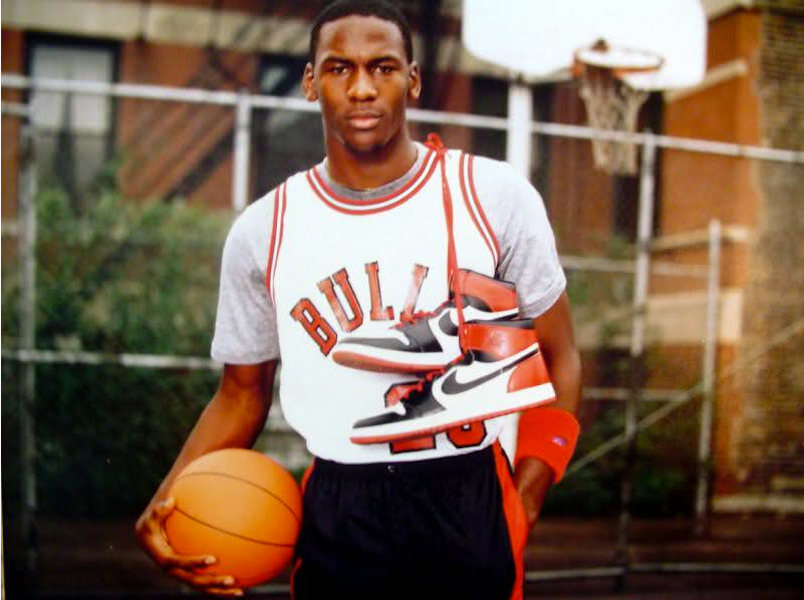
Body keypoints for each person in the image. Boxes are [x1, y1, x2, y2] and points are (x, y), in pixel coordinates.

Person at [136, 1, 582, 598]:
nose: (364, 87)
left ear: (413, 80)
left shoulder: (492, 196)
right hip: (342, 506)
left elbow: (560, 357)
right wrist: (166, 498)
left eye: (384, 67)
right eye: (340, 68)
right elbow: (241, 394)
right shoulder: (264, 230)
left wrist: (527, 498)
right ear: (310, 82)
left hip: (468, 492)